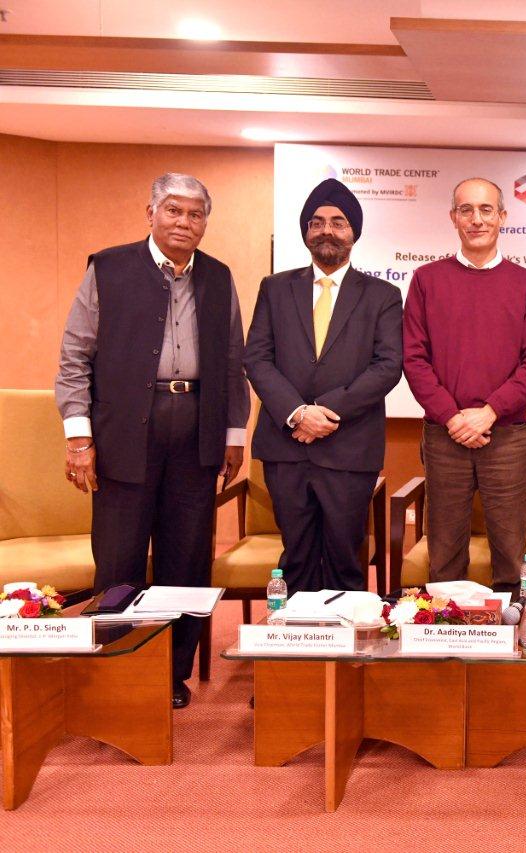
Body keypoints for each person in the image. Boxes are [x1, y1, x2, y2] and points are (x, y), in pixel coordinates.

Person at [55, 172, 249, 709]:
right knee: (118, 559)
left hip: (196, 433)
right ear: (151, 213)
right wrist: (79, 439)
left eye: (195, 215)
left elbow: (233, 360)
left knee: (185, 561)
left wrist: (234, 434)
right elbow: (75, 358)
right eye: (173, 211)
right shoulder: (109, 269)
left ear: (205, 222)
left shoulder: (219, 276)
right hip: (123, 435)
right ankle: (116, 669)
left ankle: (170, 673)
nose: (184, 223)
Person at [244, 178, 403, 594]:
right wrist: (298, 413)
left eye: (338, 222)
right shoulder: (274, 288)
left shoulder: (382, 295)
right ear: (306, 232)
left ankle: (345, 655)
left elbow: (388, 366)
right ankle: (297, 655)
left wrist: (325, 412)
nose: (327, 230)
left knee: (345, 555)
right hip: (286, 444)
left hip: (349, 446)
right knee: (294, 555)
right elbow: (256, 358)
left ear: (354, 232)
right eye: (316, 222)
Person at [402, 178, 526, 593]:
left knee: (510, 551)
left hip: (506, 436)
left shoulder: (525, 284)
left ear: (503, 217)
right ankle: (447, 645)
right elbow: (414, 359)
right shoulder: (426, 280)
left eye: (486, 210)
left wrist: (489, 411)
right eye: (466, 210)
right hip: (443, 436)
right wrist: (452, 418)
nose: (476, 219)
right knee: (444, 550)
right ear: (453, 218)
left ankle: (509, 648)